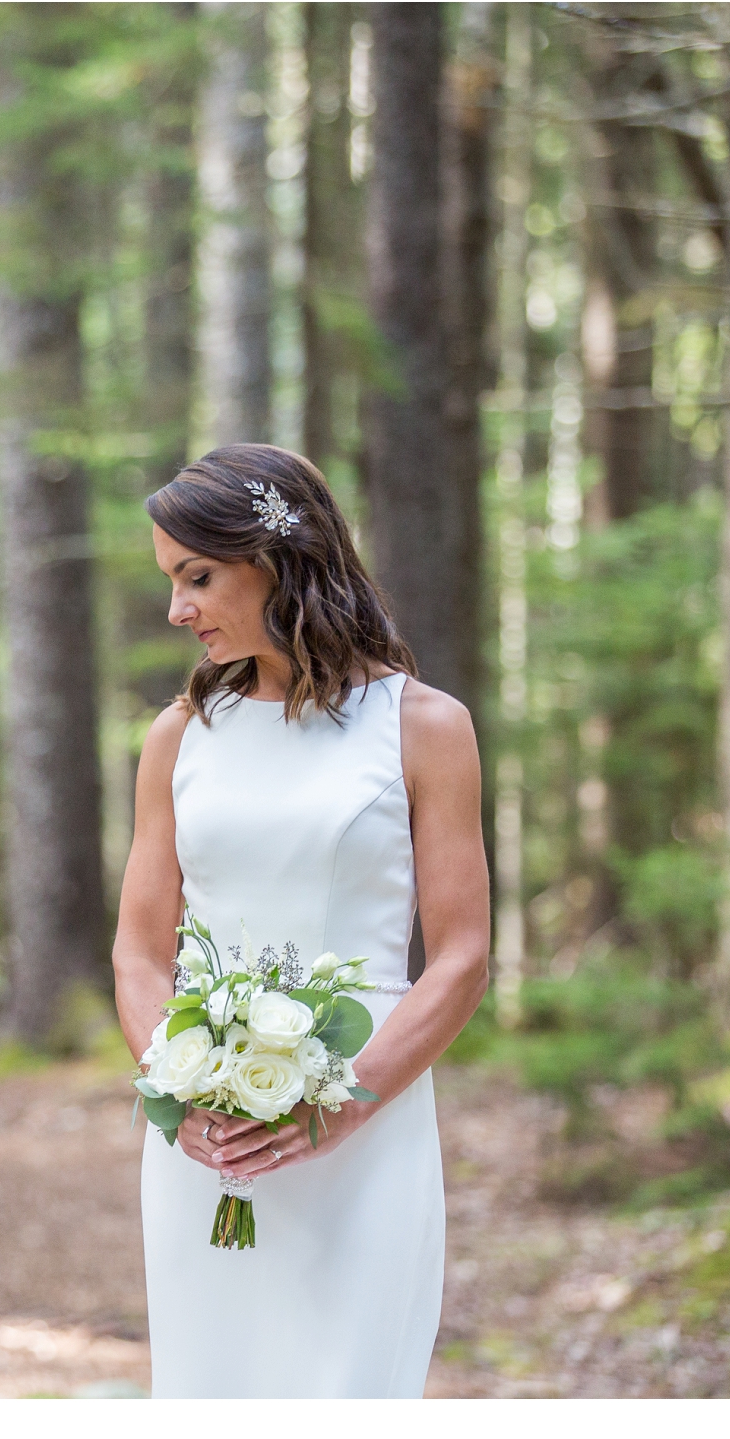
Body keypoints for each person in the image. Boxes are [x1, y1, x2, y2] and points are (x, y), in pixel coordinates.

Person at [114, 443, 490, 1398]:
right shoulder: (179, 737)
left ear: (276, 557)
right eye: (170, 582)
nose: (176, 610)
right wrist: (180, 1090)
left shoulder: (422, 725)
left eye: (196, 576)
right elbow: (137, 949)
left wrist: (342, 1103)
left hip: (364, 1122)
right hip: (207, 1141)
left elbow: (460, 957)